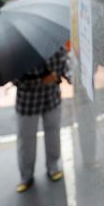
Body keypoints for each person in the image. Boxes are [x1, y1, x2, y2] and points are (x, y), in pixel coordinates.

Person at [12, 46, 71, 192]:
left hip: (52, 99)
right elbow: (16, 80)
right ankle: (26, 176)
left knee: (53, 133)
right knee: (26, 139)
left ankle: (53, 166)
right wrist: (41, 81)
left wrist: (73, 77)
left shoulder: (54, 44)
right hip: (28, 103)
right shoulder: (18, 49)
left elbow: (65, 64)